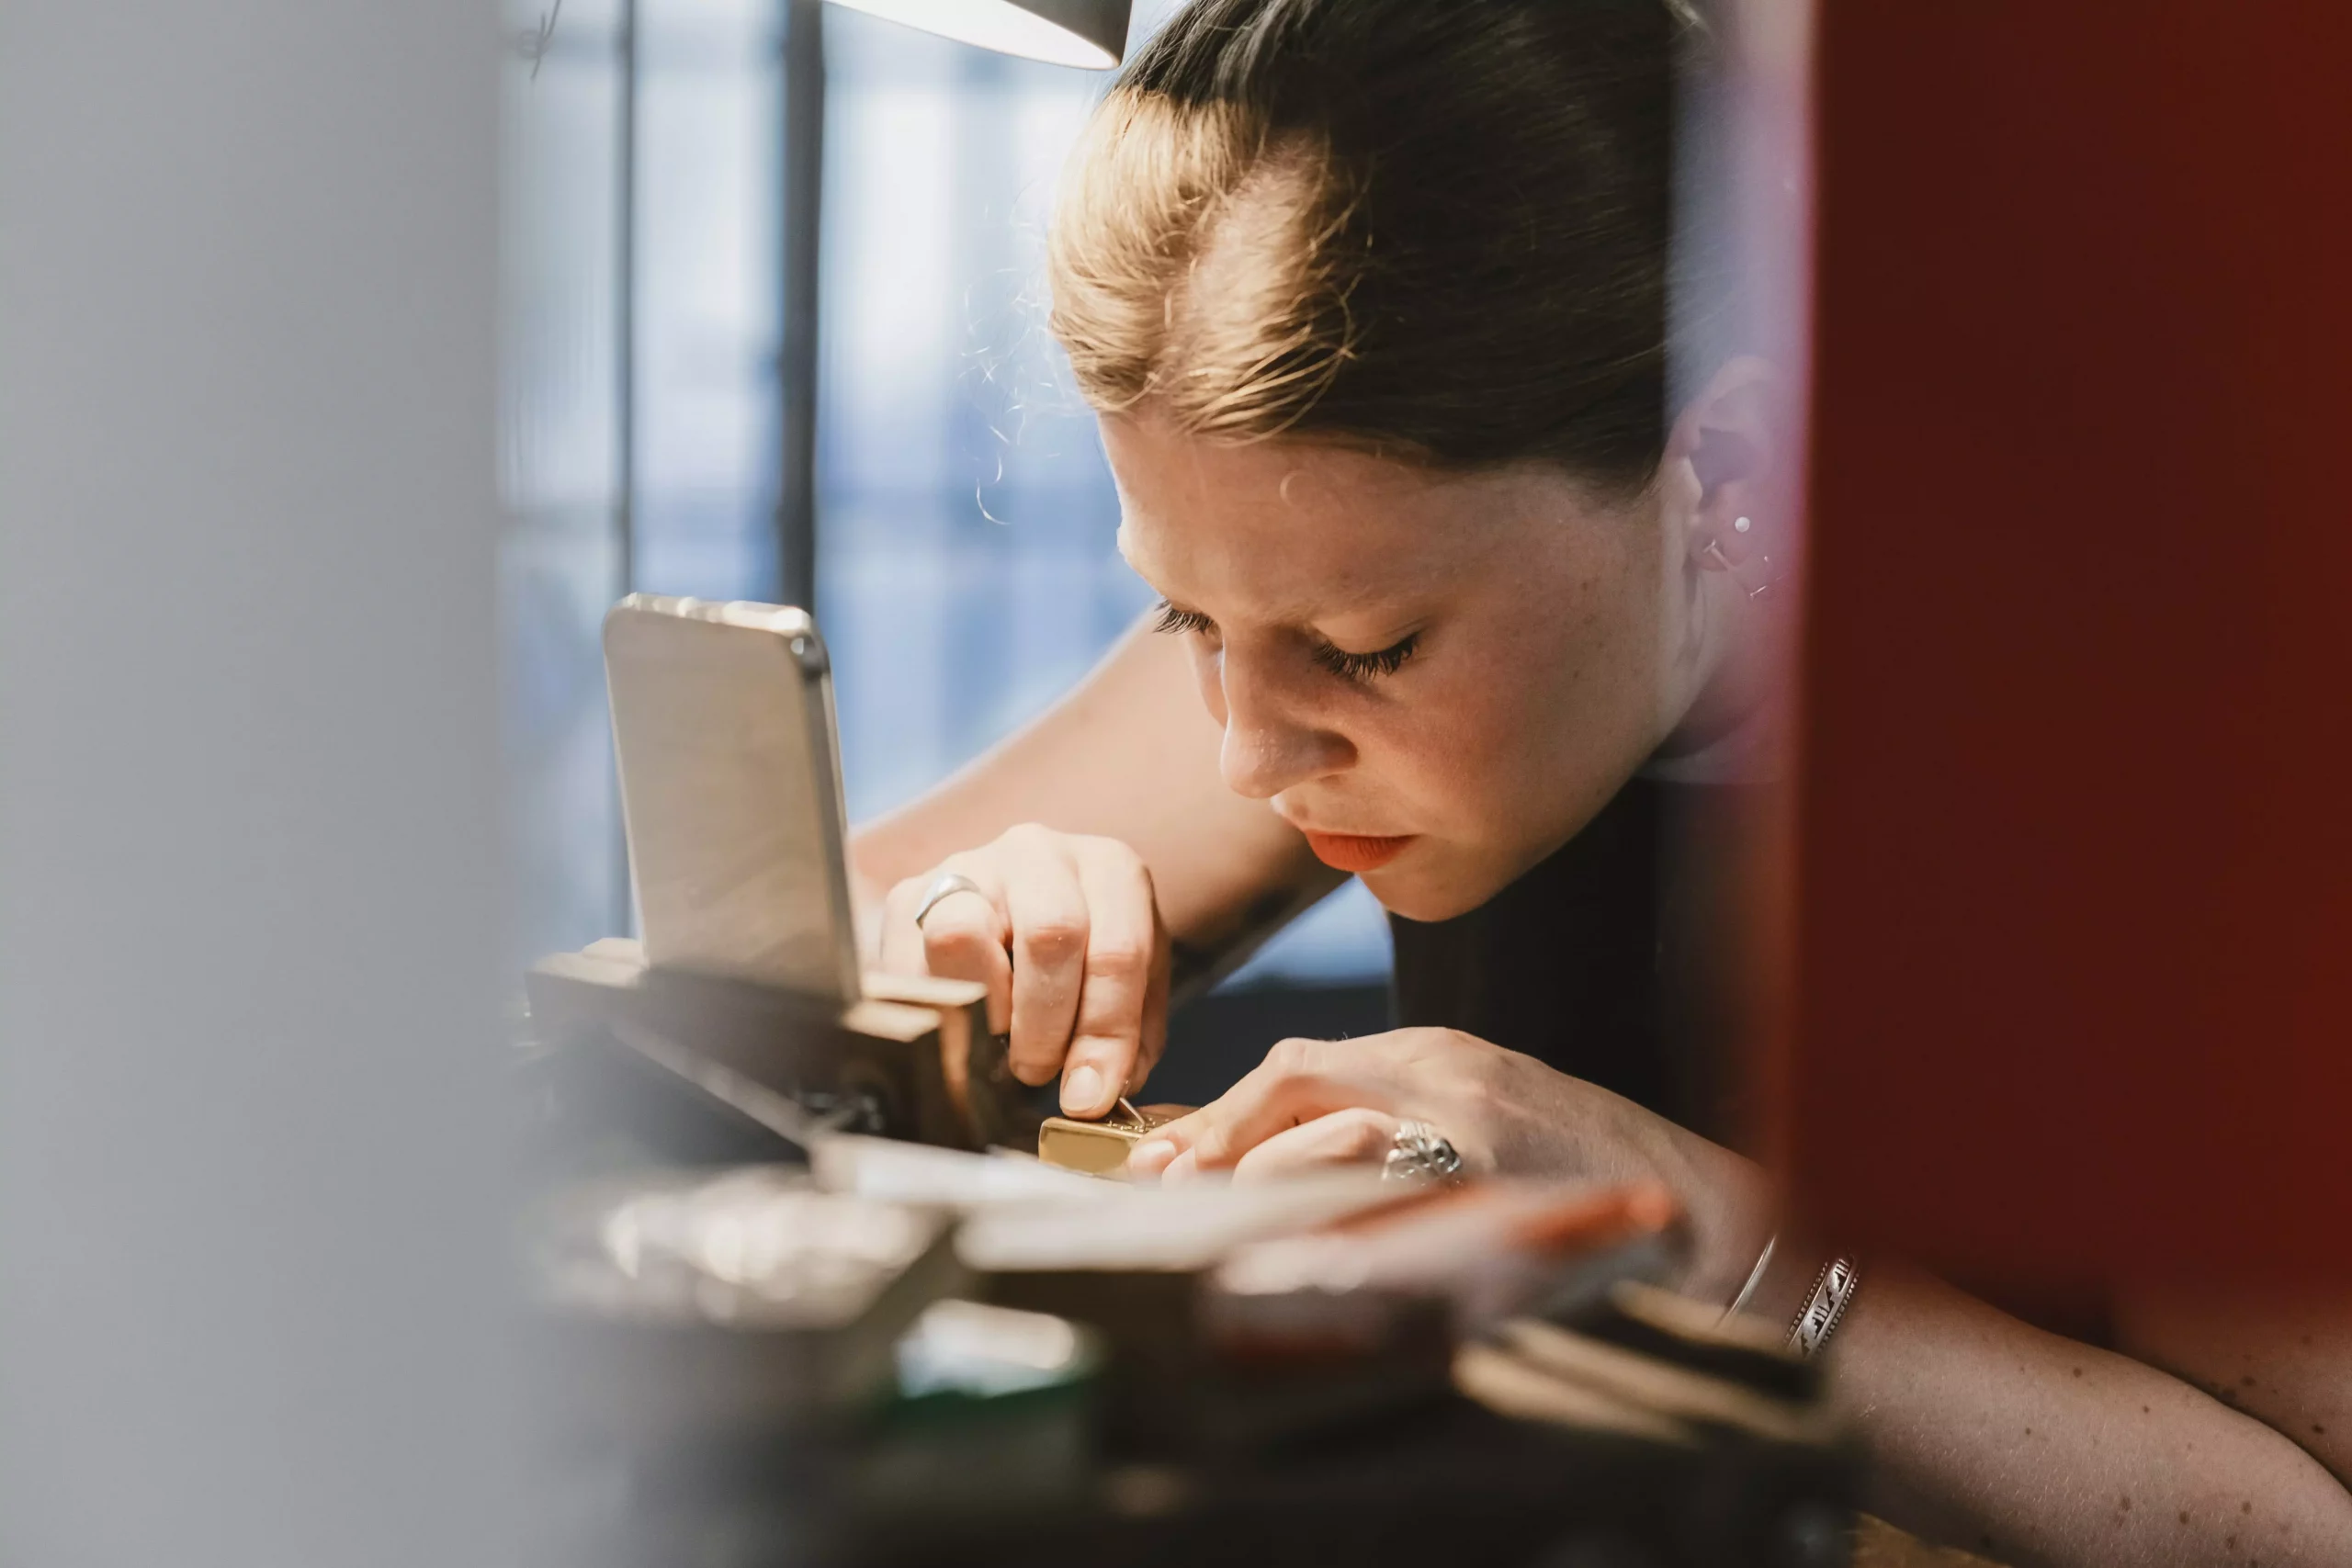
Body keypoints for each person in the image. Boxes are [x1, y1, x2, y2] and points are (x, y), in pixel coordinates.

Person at [849, 1, 2352, 1560]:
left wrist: (1678, 1216)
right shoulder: (1324, 638)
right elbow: (828, 915)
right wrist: (972, 928)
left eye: (1368, 649)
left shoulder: (2127, 776)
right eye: (1188, 615)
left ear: (1734, 481)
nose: (1248, 749)